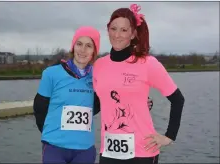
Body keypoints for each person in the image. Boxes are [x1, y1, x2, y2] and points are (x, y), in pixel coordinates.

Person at [33, 25, 154, 164]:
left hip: (84, 149)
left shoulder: (98, 74)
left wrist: (139, 103)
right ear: (73, 47)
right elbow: (39, 109)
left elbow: (113, 100)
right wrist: (51, 135)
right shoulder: (51, 73)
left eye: (89, 46)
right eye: (79, 44)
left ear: (94, 51)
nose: (82, 50)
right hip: (54, 147)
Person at [93, 4, 185, 164]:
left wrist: (169, 136)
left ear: (133, 33)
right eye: (113, 29)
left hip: (142, 152)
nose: (117, 35)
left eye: (124, 30)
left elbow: (178, 99)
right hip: (109, 152)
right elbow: (97, 104)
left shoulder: (148, 63)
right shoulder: (99, 65)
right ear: (107, 30)